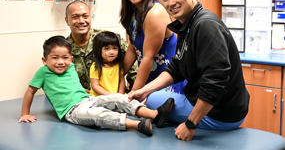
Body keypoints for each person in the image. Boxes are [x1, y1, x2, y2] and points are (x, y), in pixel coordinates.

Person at [128, 0, 250, 141]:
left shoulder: (205, 25)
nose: (171, 3)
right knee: (151, 96)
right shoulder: (187, 25)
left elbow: (215, 81)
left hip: (221, 114)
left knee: (152, 101)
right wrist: (143, 90)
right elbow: (176, 67)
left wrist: (190, 125)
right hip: (218, 106)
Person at [18, 35, 175, 137]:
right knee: (99, 114)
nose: (61, 62)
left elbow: (71, 84)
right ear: (44, 60)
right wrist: (25, 113)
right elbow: (30, 92)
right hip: (72, 110)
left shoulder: (70, 66)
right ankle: (138, 124)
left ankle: (154, 115)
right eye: (54, 58)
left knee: (118, 97)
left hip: (88, 98)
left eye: (65, 57)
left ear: (71, 59)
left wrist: (83, 92)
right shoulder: (43, 72)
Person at [120, 0, 186, 92]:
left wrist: (134, 94)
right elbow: (133, 47)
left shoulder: (155, 13)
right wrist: (119, 75)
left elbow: (147, 57)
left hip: (166, 82)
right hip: (148, 79)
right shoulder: (135, 12)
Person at [65, 0, 138, 92]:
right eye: (75, 17)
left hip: (116, 96)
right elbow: (60, 81)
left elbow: (135, 71)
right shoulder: (63, 49)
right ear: (67, 21)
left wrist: (136, 94)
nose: (81, 21)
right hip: (81, 100)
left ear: (90, 17)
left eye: (85, 16)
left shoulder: (110, 40)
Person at [89, 31, 125, 96]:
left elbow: (121, 81)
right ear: (99, 50)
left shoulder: (119, 64)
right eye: (107, 49)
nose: (111, 52)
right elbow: (95, 86)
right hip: (100, 97)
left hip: (116, 96)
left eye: (115, 48)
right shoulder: (95, 66)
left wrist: (120, 95)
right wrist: (110, 96)